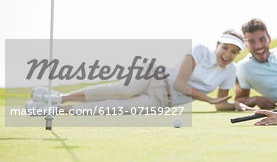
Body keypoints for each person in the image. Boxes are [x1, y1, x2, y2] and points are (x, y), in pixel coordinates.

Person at [26, 30, 252, 114]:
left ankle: (53, 111)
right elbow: (180, 84)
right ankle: (57, 98)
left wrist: (236, 105)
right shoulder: (200, 50)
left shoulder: (229, 71)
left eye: (234, 52)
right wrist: (208, 99)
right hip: (155, 77)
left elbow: (221, 103)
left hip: (161, 102)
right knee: (118, 89)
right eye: (225, 48)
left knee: (111, 108)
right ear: (217, 45)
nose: (227, 54)